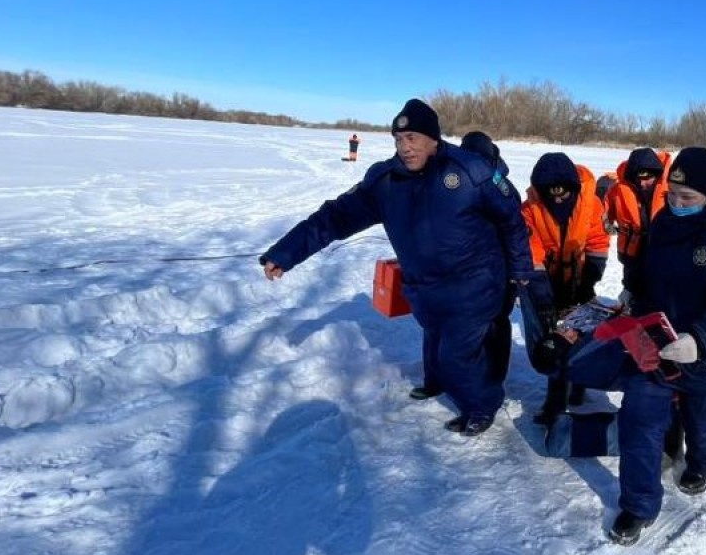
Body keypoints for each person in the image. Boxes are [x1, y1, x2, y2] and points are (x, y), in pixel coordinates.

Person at [259, 99, 534, 437]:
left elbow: (512, 223)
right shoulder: (385, 181)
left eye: (413, 138)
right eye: (399, 140)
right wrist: (285, 253)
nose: (405, 148)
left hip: (475, 284)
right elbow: (334, 217)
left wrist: (521, 272)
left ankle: (482, 406)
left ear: (434, 138)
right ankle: (437, 384)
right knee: (434, 339)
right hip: (424, 286)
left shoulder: (470, 172)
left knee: (457, 353)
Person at [607, 147, 706, 545]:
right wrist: (632, 289)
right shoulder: (663, 221)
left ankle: (703, 462)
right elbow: (648, 268)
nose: (677, 204)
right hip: (656, 347)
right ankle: (638, 505)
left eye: (687, 198)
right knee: (638, 422)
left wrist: (701, 340)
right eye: (672, 196)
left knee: (705, 426)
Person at [519, 152, 610, 424]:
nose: (558, 200)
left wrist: (587, 284)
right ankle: (556, 397)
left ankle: (580, 384)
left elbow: (598, 245)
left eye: (564, 195)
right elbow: (531, 257)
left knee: (583, 334)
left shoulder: (591, 205)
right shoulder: (529, 212)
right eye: (551, 196)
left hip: (580, 279)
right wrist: (544, 298)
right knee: (553, 339)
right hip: (546, 280)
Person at [459, 130, 519, 385]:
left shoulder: (502, 186)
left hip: (499, 270)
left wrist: (516, 272)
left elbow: (515, 231)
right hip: (466, 270)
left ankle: (494, 376)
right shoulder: (455, 183)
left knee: (497, 323)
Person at [605, 147, 672, 279]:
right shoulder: (618, 190)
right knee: (632, 289)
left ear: (657, 175)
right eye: (638, 178)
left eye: (647, 178)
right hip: (632, 252)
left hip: (663, 252)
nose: (642, 183)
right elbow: (603, 209)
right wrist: (606, 223)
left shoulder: (673, 189)